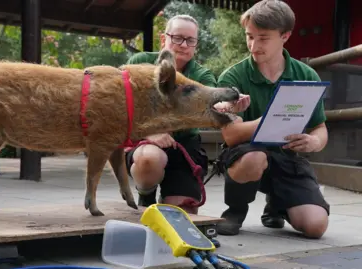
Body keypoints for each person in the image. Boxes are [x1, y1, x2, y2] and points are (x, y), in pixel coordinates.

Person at [214, 0, 330, 239]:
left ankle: (276, 205)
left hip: (287, 156)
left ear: (285, 36)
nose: (253, 46)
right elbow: (230, 135)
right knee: (254, 157)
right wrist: (272, 119)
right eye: (249, 36)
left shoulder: (306, 75)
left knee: (316, 226)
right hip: (246, 153)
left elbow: (320, 127)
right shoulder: (232, 75)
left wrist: (314, 142)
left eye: (263, 38)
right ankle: (235, 211)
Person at [124, 14, 217, 214]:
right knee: (149, 159)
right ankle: (146, 193)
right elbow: (120, 104)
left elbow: (206, 108)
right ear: (163, 39)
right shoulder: (140, 62)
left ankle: (172, 193)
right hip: (145, 142)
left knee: (182, 216)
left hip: (184, 144)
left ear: (195, 45)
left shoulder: (203, 75)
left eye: (190, 40)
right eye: (177, 38)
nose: (183, 45)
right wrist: (150, 132)